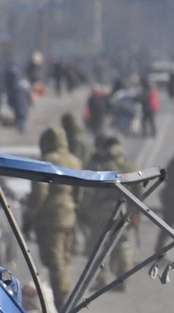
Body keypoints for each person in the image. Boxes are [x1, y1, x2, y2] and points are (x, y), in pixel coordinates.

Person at [28, 127, 81, 303]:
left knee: (54, 260)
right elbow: (79, 191)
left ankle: (62, 299)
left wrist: (30, 217)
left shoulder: (47, 161)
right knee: (64, 258)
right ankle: (65, 292)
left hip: (51, 216)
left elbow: (39, 194)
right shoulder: (74, 161)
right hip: (69, 213)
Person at [80, 134, 138, 290]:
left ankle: (102, 279)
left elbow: (87, 191)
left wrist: (83, 211)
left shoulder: (97, 163)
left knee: (98, 246)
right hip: (122, 209)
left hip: (99, 210)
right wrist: (134, 210)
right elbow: (140, 189)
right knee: (123, 244)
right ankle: (122, 279)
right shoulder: (128, 164)